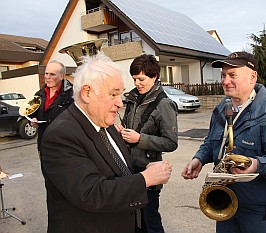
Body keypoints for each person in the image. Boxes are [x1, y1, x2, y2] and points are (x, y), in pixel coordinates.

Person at [40, 52, 173, 233]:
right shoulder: (60, 135)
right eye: (113, 94)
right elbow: (92, 193)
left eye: (120, 94)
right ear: (87, 93)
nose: (120, 103)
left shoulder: (103, 122)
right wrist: (146, 178)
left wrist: (147, 165)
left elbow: (117, 165)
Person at [181, 51, 266, 233]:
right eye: (223, 75)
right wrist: (199, 158)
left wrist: (257, 164)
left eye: (232, 75)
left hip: (257, 214)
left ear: (252, 77)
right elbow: (212, 141)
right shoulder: (222, 108)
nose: (224, 81)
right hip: (224, 203)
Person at [116, 54, 178, 233]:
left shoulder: (165, 104)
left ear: (154, 77)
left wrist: (139, 139)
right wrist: (123, 131)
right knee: (134, 222)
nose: (137, 83)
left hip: (149, 171)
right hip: (129, 170)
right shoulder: (133, 98)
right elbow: (130, 127)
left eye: (141, 79)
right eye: (134, 79)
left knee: (150, 222)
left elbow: (171, 143)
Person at [30, 60, 74, 152]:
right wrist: (32, 120)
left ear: (62, 76)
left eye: (52, 74)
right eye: (46, 73)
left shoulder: (72, 94)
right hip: (44, 145)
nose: (48, 77)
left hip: (64, 147)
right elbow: (31, 113)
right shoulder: (39, 94)